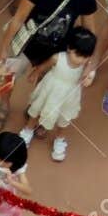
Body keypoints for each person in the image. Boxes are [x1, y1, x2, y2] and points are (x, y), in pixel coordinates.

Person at [0, 0, 96, 129]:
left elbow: (89, 31)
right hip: (28, 43)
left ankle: (36, 109)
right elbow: (18, 19)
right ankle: (3, 104)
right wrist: (3, 48)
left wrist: (89, 62)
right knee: (8, 73)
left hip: (59, 49)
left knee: (47, 82)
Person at [19, 25, 92, 161]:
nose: (82, 60)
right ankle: (28, 130)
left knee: (64, 119)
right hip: (49, 90)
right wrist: (35, 73)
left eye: (86, 56)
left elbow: (88, 75)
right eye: (78, 55)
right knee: (37, 109)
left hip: (68, 97)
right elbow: (43, 66)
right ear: (69, 48)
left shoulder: (85, 65)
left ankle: (60, 139)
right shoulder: (57, 58)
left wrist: (88, 76)